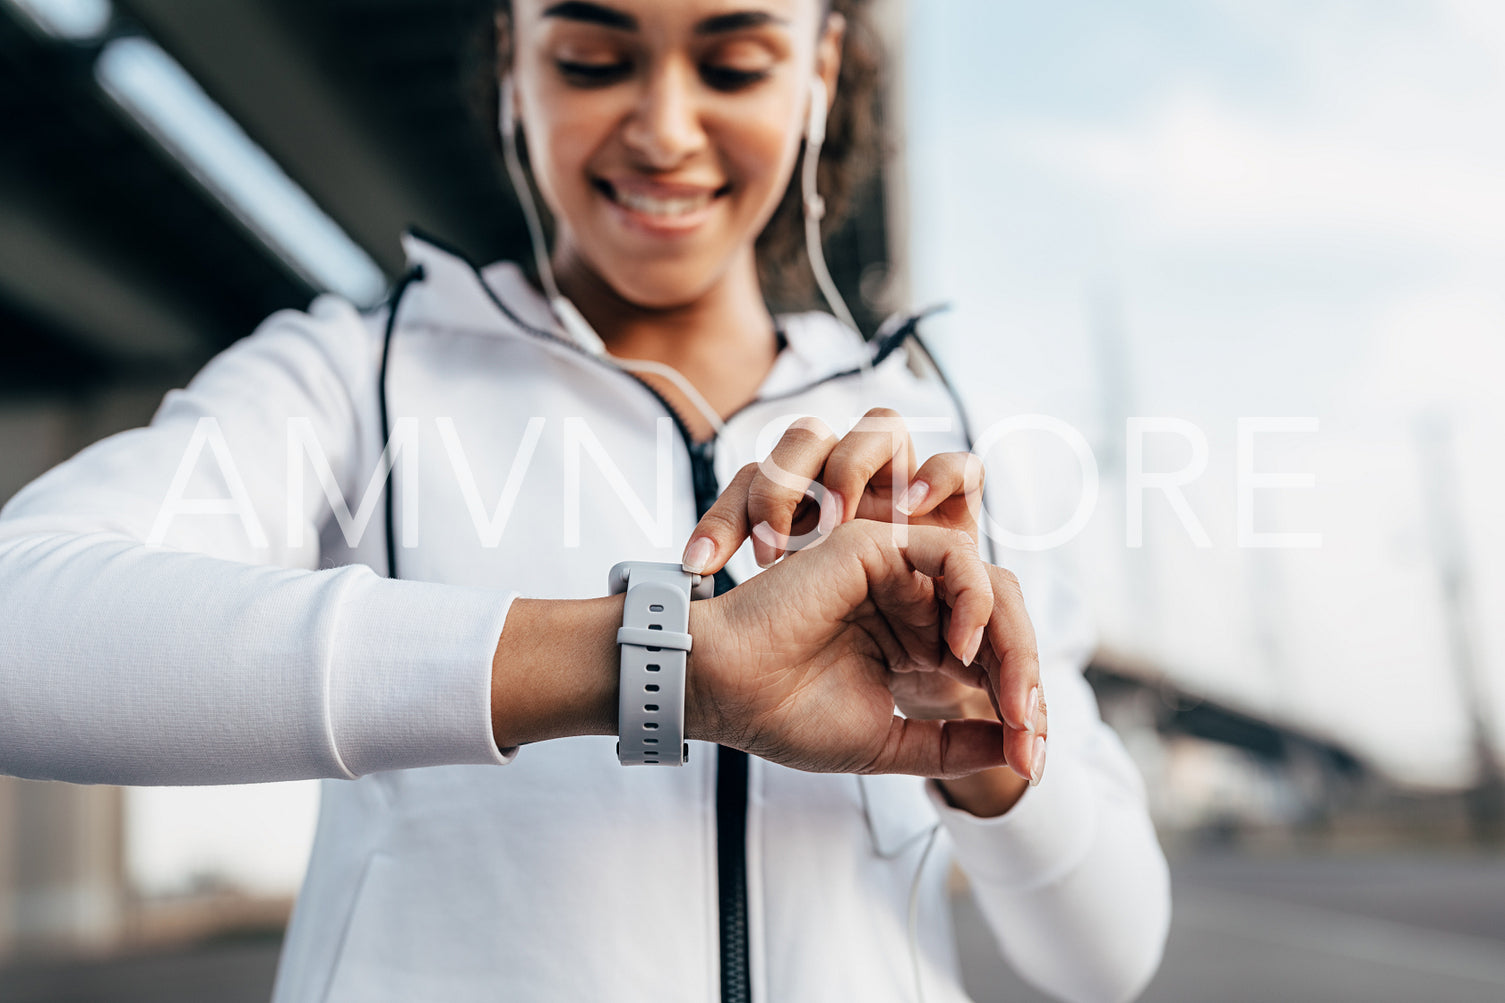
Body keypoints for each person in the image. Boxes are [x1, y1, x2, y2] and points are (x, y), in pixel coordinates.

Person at [0, 1, 1170, 1000]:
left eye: (732, 64)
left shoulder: (933, 441)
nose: (663, 130)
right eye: (593, 60)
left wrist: (976, 732)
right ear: (513, 63)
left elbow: (1104, 957)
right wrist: (659, 664)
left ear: (816, 73)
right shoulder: (356, 375)